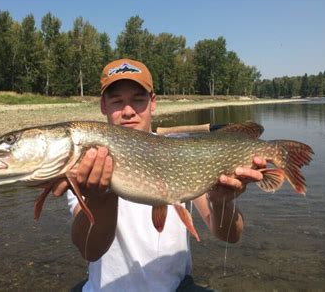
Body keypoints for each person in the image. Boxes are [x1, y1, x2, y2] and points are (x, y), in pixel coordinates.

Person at [50, 58, 265, 291]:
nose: (128, 111)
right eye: (117, 101)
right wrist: (101, 196)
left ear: (153, 103)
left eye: (138, 99)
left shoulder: (181, 153)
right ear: (104, 105)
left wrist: (221, 202)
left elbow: (230, 236)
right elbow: (89, 250)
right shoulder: (87, 162)